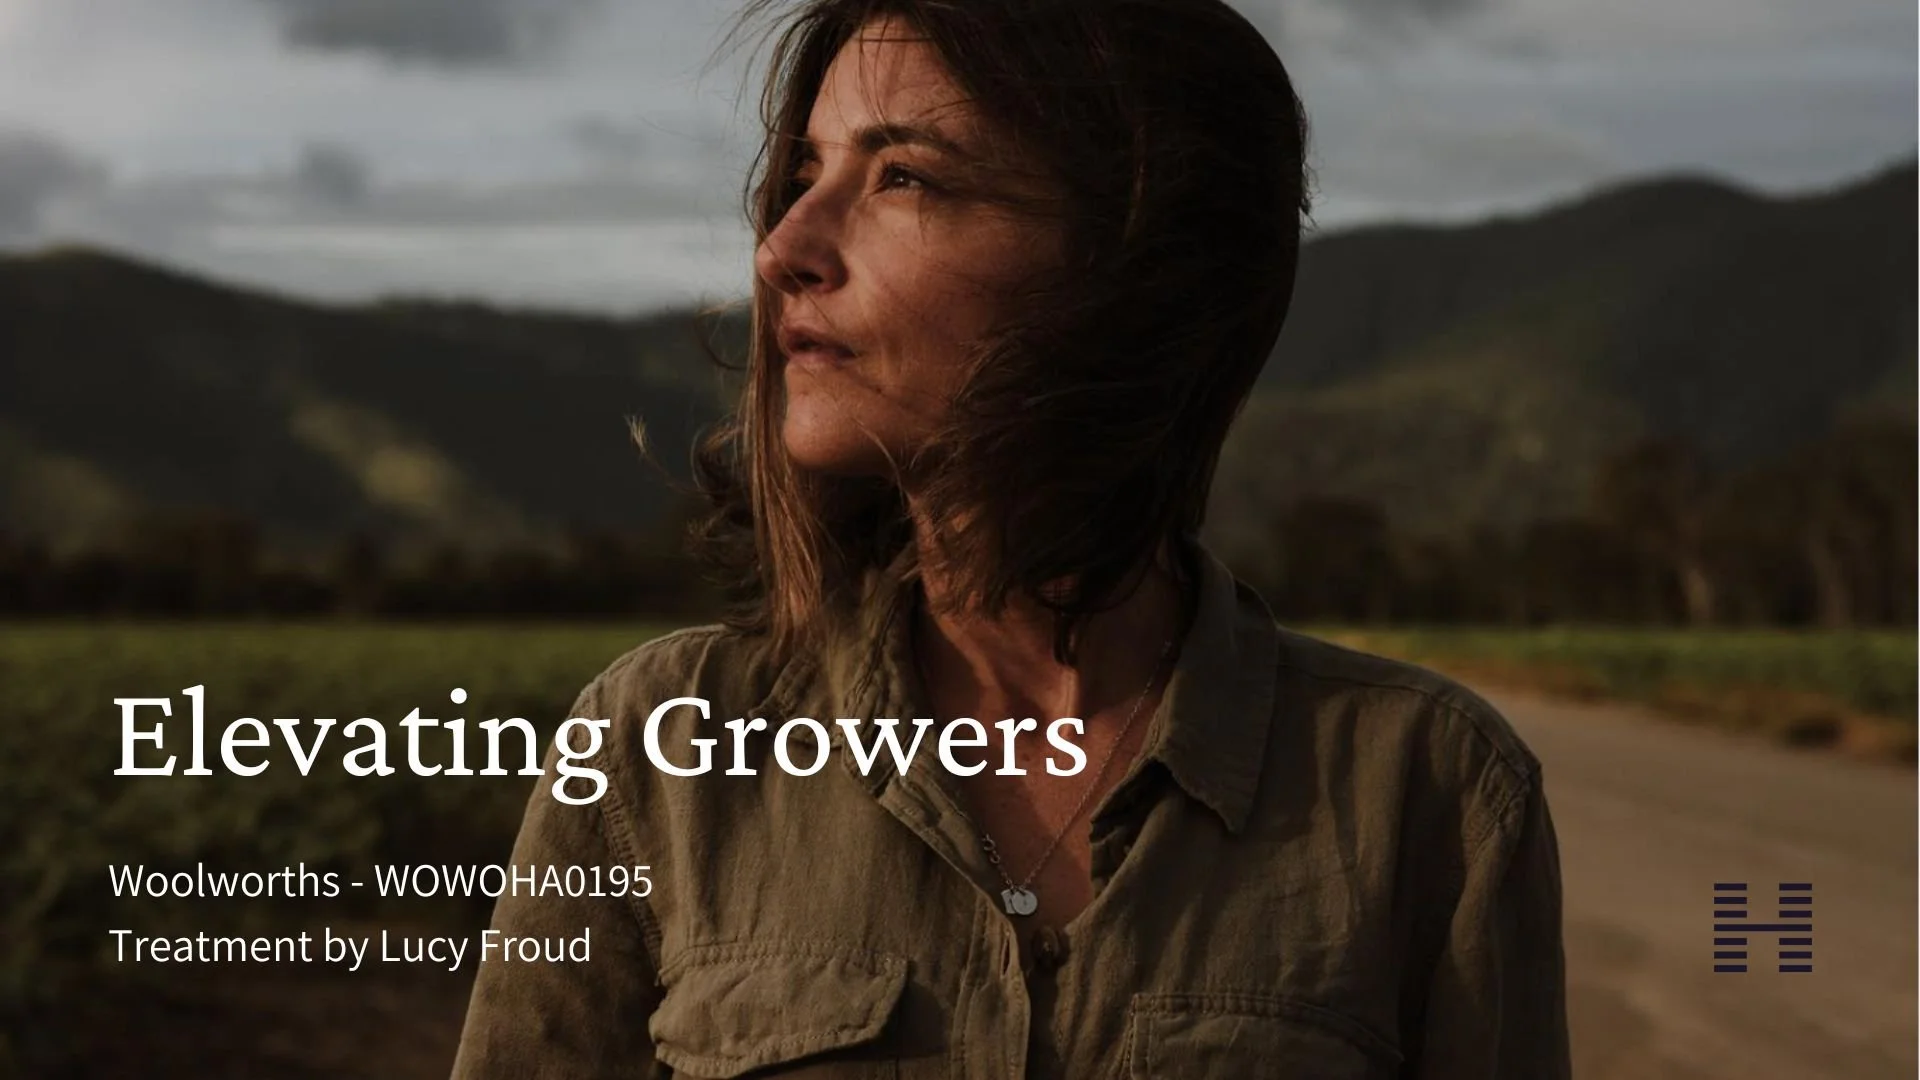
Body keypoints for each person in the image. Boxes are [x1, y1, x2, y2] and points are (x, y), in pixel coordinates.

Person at [450, 0, 1572, 1076]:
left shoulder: (1429, 791)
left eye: (902, 177)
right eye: (802, 175)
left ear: (1136, 259)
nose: (784, 246)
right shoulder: (664, 753)